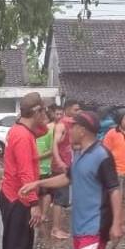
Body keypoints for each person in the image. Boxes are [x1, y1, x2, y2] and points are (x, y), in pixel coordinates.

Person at [21, 110, 123, 249]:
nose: (70, 130)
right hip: (79, 227)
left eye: (73, 127)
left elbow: (115, 190)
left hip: (95, 227)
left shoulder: (102, 156)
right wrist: (36, 184)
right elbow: (68, 178)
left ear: (83, 131)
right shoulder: (78, 153)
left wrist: (117, 224)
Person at [0, 93, 49, 249]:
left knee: (23, 244)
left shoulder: (25, 130)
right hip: (17, 198)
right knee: (16, 244)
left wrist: (38, 118)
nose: (45, 115)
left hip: (20, 195)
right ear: (36, 112)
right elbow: (24, 171)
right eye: (43, 111)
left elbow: (43, 129)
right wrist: (34, 203)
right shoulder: (21, 135)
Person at [49, 99, 82, 240]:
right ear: (67, 110)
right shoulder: (62, 126)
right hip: (59, 167)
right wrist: (59, 161)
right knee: (59, 198)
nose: (78, 112)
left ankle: (57, 227)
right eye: (76, 110)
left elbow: (70, 146)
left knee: (62, 199)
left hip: (67, 165)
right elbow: (54, 145)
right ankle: (55, 229)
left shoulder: (71, 126)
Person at [35, 100, 62, 223]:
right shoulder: (34, 131)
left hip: (45, 167)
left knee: (45, 193)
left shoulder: (50, 131)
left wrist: (37, 158)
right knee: (38, 192)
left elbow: (53, 150)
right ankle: (39, 214)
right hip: (34, 168)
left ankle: (44, 215)